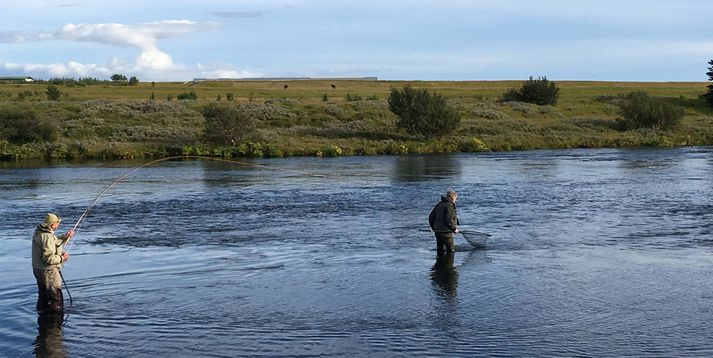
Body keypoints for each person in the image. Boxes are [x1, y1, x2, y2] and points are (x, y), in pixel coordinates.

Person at [32, 213, 74, 313]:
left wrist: (65, 237)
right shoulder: (47, 237)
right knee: (56, 298)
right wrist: (62, 258)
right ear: (51, 225)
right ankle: (55, 321)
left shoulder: (39, 232)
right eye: (57, 223)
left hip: (38, 269)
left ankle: (42, 315)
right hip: (48, 271)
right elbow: (49, 258)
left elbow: (52, 243)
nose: (58, 225)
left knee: (43, 295)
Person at [428, 190, 459, 255]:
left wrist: (434, 228)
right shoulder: (449, 205)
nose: (456, 200)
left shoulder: (439, 204)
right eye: (456, 198)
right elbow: (449, 220)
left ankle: (439, 264)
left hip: (437, 232)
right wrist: (454, 229)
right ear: (452, 197)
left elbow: (431, 217)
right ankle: (449, 265)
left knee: (440, 250)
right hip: (446, 233)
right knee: (451, 251)